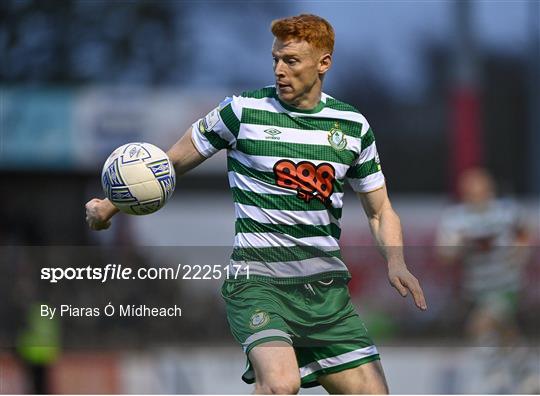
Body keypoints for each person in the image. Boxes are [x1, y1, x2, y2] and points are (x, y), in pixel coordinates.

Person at [86, 14, 427, 394]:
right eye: (276, 59)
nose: (280, 70)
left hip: (325, 292)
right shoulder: (242, 111)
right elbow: (168, 164)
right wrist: (110, 206)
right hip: (259, 282)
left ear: (324, 63)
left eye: (292, 61)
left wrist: (396, 261)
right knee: (281, 384)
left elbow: (380, 211)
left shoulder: (352, 126)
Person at [436, 167, 532, 392]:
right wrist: (458, 246)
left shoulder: (506, 211)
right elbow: (444, 255)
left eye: (479, 188)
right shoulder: (455, 218)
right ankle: (527, 372)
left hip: (506, 285)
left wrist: (519, 253)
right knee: (505, 333)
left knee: (480, 325)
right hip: (477, 289)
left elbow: (525, 231)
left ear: (489, 189)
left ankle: (496, 378)